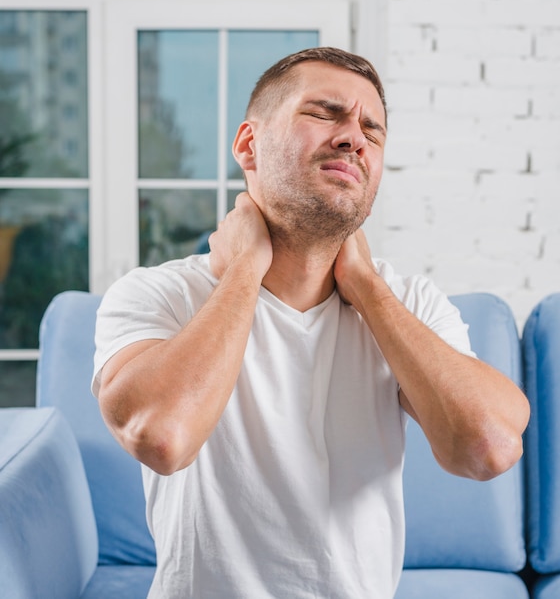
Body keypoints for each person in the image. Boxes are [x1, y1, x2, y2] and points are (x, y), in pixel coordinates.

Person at [92, 47, 530, 598]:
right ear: (249, 145)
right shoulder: (159, 294)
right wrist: (245, 272)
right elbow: (162, 437)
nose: (354, 137)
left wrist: (367, 289)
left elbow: (488, 447)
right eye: (324, 113)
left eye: (373, 129)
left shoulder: (406, 302)